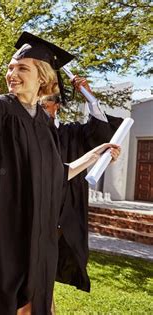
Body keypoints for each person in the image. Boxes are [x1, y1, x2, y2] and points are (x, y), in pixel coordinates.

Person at [0, 31, 121, 314]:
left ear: (42, 77)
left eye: (22, 68)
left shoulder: (44, 122)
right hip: (6, 230)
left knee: (36, 304)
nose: (12, 73)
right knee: (5, 303)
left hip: (42, 236)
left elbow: (56, 174)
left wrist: (95, 154)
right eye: (10, 68)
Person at [41, 77, 123, 294]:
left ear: (56, 106)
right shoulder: (29, 133)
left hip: (67, 205)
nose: (40, 110)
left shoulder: (72, 132)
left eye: (44, 105)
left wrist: (90, 98)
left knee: (55, 264)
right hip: (38, 205)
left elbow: (100, 135)